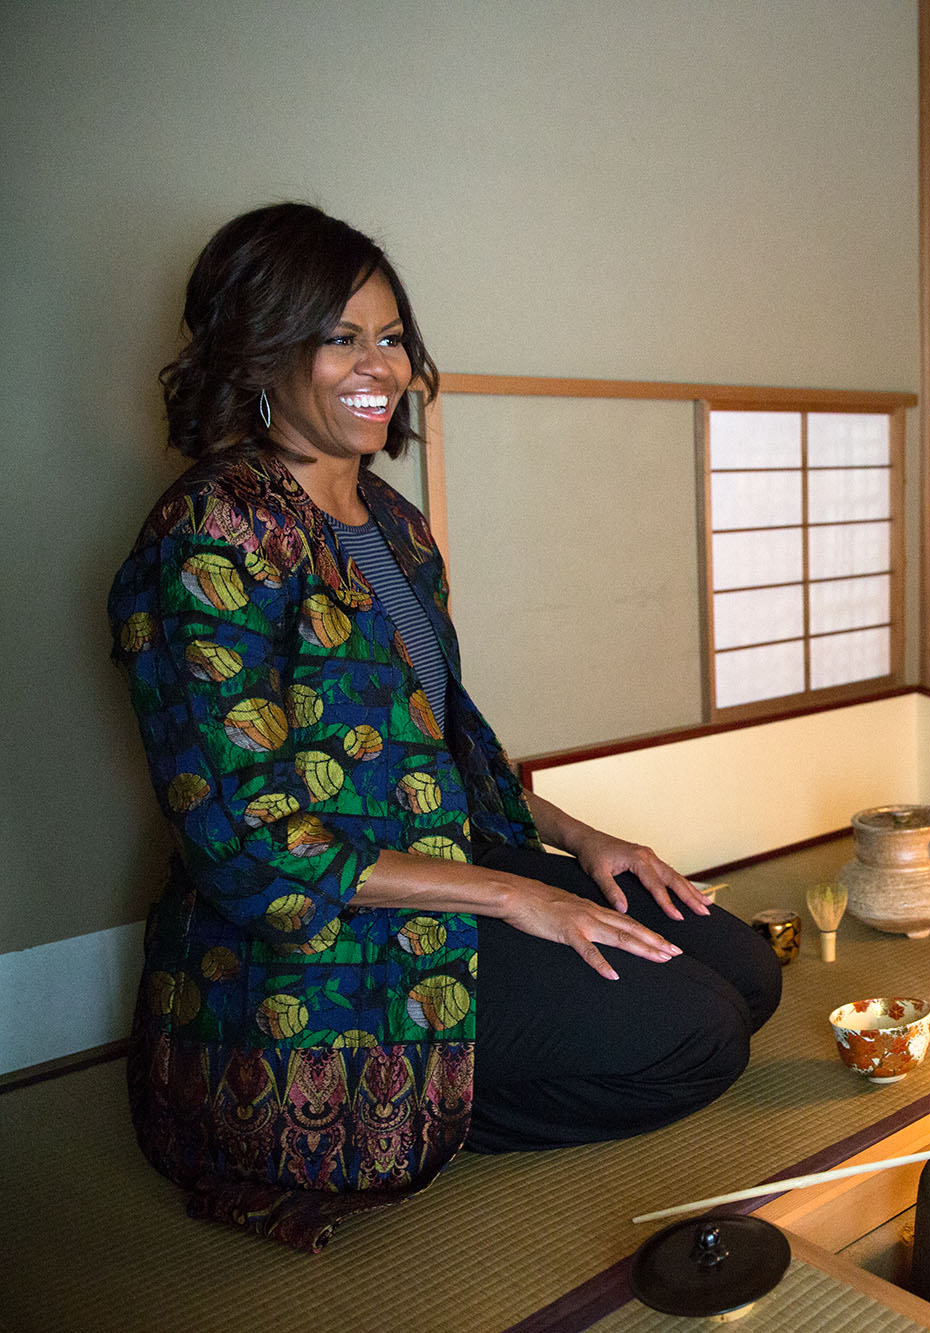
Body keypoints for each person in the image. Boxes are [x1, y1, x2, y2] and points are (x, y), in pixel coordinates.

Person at [109, 203, 782, 1252]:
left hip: (447, 857)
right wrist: (516, 897)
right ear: (259, 347)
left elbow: (448, 744)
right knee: (697, 1036)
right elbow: (244, 843)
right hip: (321, 939)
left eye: (390, 336)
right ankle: (410, 1118)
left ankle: (482, 1046)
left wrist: (581, 841)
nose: (379, 364)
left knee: (745, 973)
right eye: (340, 336)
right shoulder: (212, 532)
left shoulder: (395, 527)